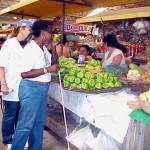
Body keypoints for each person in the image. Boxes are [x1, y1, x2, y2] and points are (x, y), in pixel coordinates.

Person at [11, 20, 59, 150]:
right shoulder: (30, 49)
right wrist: (47, 69)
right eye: (51, 32)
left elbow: (54, 65)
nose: (53, 35)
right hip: (31, 89)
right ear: (43, 33)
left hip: (42, 90)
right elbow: (24, 74)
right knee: (25, 124)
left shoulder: (43, 48)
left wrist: (53, 48)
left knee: (38, 123)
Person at [0, 19, 32, 150]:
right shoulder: (9, 44)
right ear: (22, 28)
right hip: (11, 86)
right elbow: (1, 66)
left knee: (20, 115)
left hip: (23, 87)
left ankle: (18, 139)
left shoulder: (25, 44)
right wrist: (3, 84)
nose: (30, 32)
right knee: (10, 115)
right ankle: (7, 139)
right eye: (29, 29)